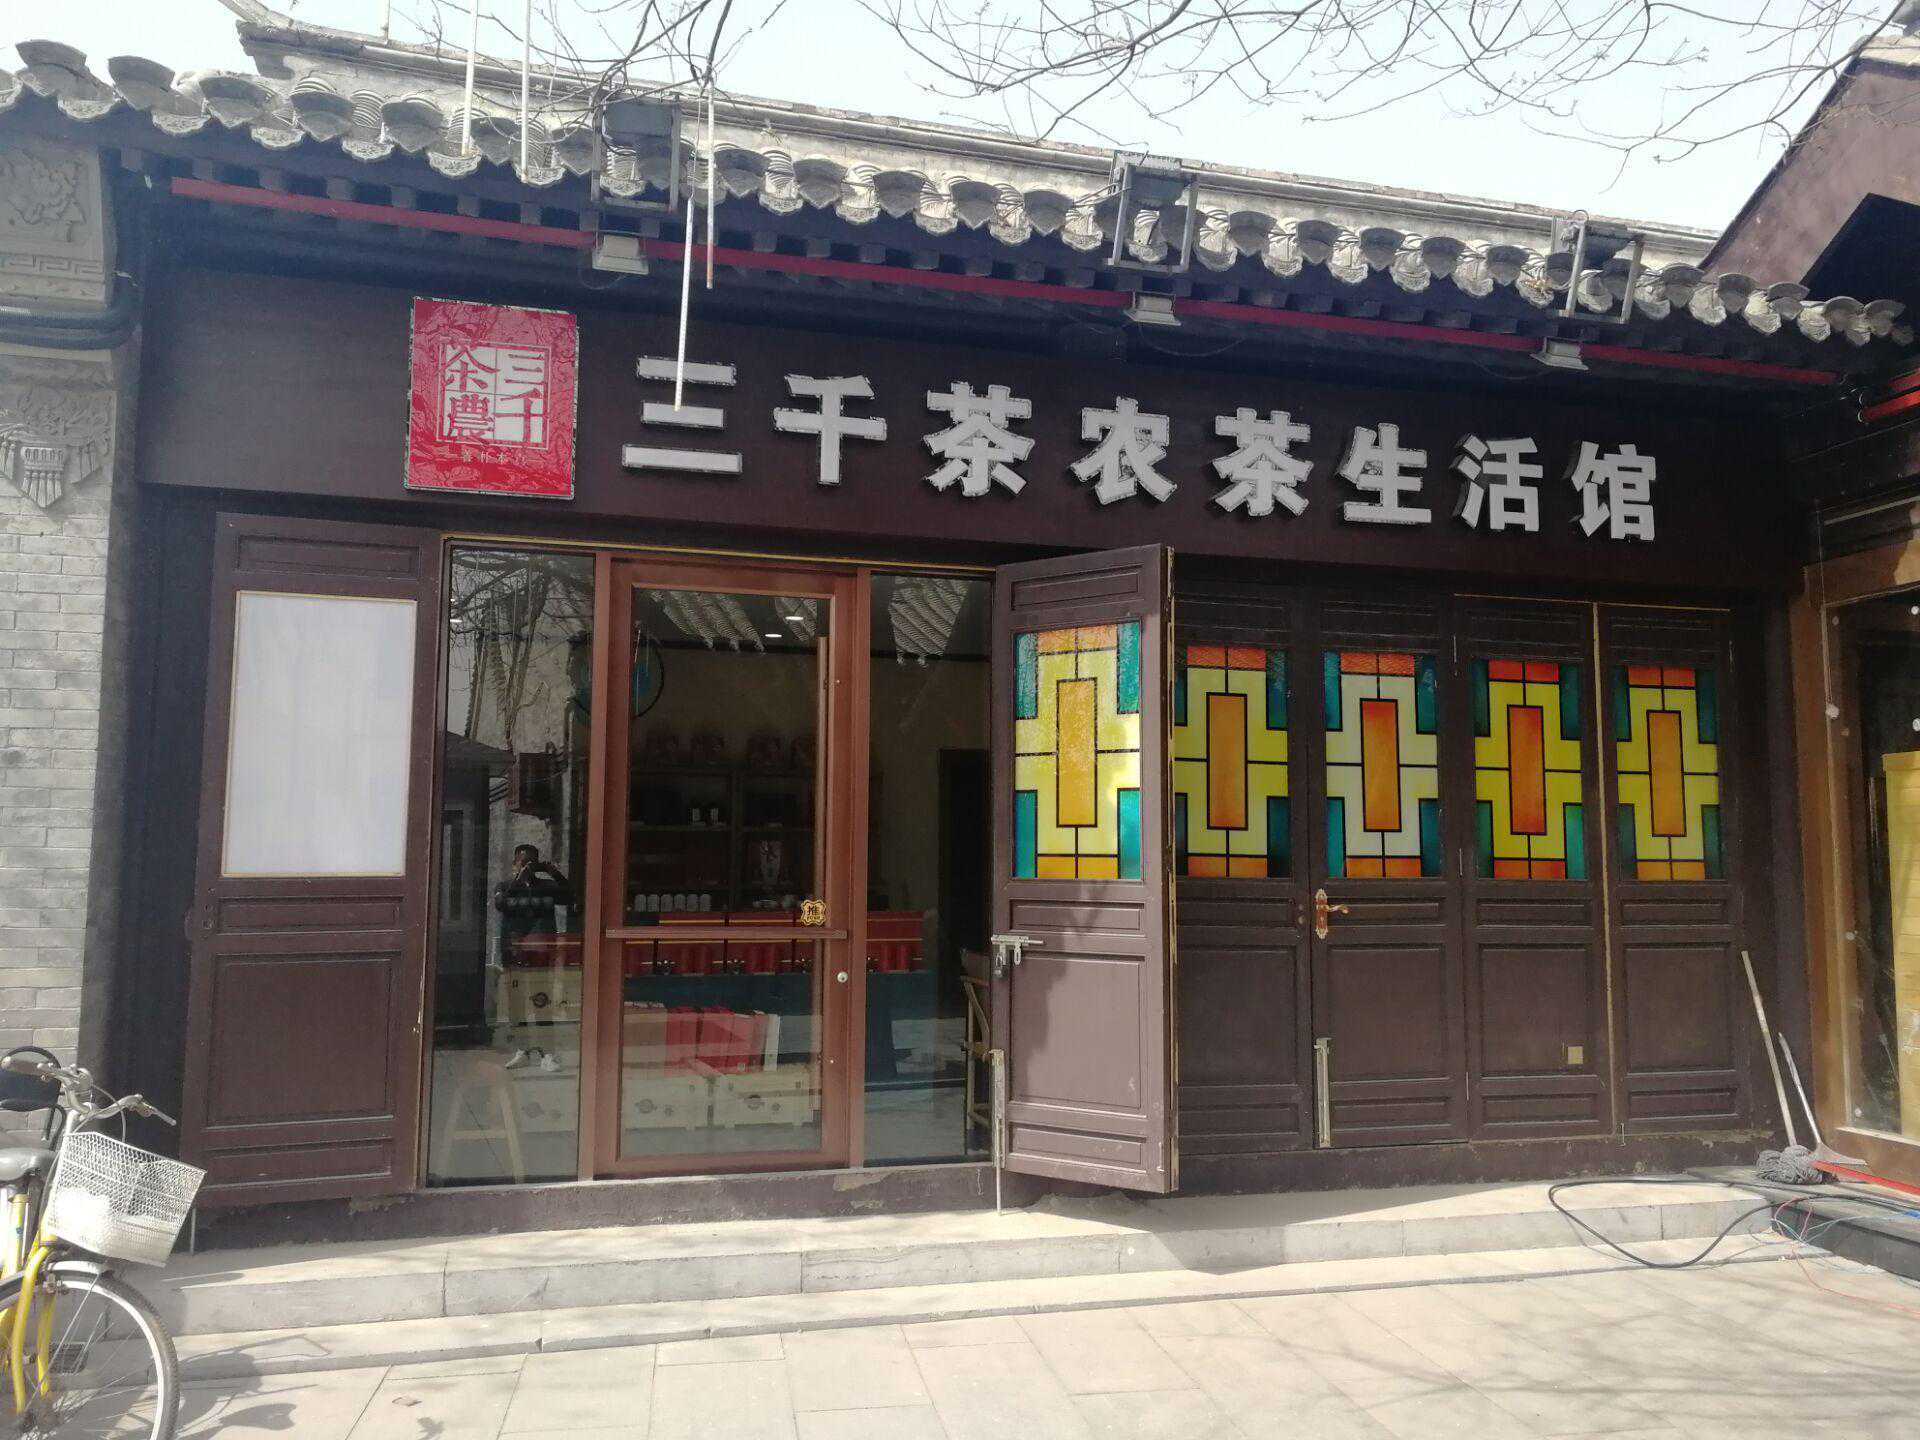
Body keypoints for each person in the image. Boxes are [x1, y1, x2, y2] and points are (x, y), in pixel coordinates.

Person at [493, 844, 572, 952]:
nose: (528, 867)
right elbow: (500, 905)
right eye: (524, 862)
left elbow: (569, 897)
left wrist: (555, 874)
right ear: (515, 864)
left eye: (532, 863)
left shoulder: (547, 886)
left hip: (542, 947)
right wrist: (518, 882)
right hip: (513, 947)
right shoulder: (504, 887)